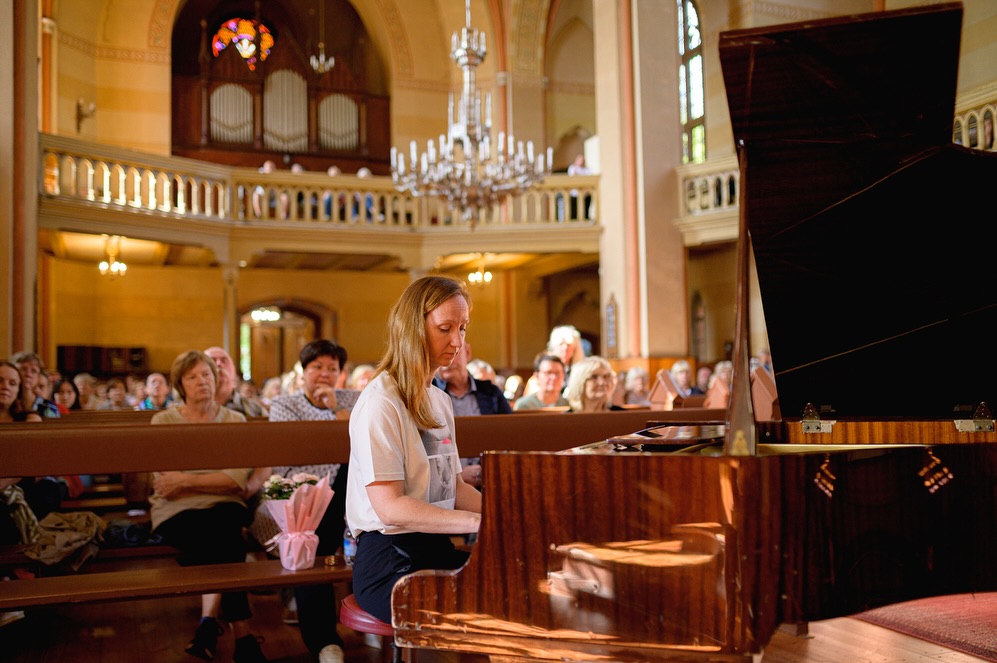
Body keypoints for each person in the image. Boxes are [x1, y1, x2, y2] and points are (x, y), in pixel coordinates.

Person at [346, 275, 482, 625]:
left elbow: (455, 488)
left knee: (519, 585)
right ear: (413, 329)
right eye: (445, 328)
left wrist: (509, 515)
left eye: (463, 328)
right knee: (482, 609)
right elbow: (390, 507)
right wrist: (476, 522)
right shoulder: (381, 402)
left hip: (435, 547)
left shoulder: (439, 400)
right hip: (390, 560)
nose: (457, 341)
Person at [150, 350, 270, 663]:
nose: (201, 381)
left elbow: (236, 480)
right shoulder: (163, 421)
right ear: (180, 385)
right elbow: (164, 482)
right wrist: (211, 480)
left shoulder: (234, 420)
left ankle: (209, 626)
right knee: (227, 540)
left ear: (215, 379)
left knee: (223, 525)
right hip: (176, 512)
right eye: (192, 377)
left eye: (206, 374)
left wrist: (186, 480)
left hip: (224, 507)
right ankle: (242, 635)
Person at [262, 339, 357, 663]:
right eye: (317, 367)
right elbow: (300, 447)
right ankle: (325, 642)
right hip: (306, 496)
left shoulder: (352, 399)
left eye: (332, 368)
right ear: (303, 372)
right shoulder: (284, 404)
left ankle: (372, 618)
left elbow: (364, 438)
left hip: (350, 492)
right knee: (313, 549)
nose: (325, 374)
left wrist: (335, 406)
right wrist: (337, 418)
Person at [433, 342, 511, 489]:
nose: (447, 362)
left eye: (453, 353)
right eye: (438, 354)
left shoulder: (491, 393)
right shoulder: (428, 394)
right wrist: (458, 475)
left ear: (467, 353)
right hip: (445, 486)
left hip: (491, 480)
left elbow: (510, 436)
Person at [204, 346, 266, 418]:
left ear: (233, 371)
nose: (218, 364)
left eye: (224, 361)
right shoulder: (194, 409)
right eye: (212, 361)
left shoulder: (254, 409)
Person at [11, 352, 59, 418]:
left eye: (34, 371)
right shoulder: (6, 403)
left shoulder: (48, 406)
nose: (28, 374)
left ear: (38, 377)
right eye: (23, 369)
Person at [566, 153, 592, 219]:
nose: (581, 161)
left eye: (582, 160)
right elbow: (572, 178)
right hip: (575, 193)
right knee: (574, 211)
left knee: (585, 211)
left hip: (585, 193)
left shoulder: (587, 169)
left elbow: (589, 179)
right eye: (580, 160)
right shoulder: (572, 168)